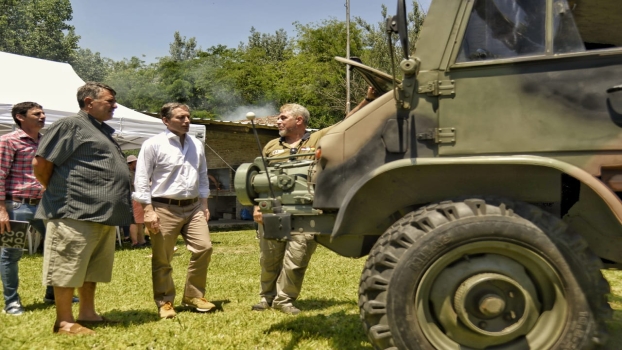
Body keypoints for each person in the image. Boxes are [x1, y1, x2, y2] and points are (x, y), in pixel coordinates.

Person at [33, 82, 133, 335]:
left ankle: (87, 313)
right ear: (89, 102)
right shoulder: (70, 125)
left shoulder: (100, 130)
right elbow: (41, 164)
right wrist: (59, 192)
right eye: (109, 101)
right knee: (67, 266)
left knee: (91, 267)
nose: (115, 105)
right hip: (73, 211)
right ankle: (64, 321)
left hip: (102, 213)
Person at [133, 102, 214, 319]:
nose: (187, 121)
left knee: (204, 247)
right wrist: (148, 211)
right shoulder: (153, 144)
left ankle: (193, 296)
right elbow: (141, 178)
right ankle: (165, 301)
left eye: (188, 116)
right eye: (181, 117)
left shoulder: (196, 144)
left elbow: (203, 174)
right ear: (166, 120)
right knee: (163, 257)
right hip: (163, 207)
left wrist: (205, 204)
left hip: (194, 206)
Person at [0, 102, 48, 315]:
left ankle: (54, 293)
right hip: (16, 205)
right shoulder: (8, 141)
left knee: (57, 249)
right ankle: (12, 302)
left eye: (43, 113)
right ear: (20, 117)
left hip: (45, 205)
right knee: (11, 254)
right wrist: (1, 210)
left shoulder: (46, 141)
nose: (42, 116)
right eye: (36, 114)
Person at [127, 155, 147, 249]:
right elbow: (133, 184)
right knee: (135, 221)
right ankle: (135, 242)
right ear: (131, 163)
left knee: (139, 221)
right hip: (133, 198)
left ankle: (141, 241)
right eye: (135, 162)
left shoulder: (132, 173)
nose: (137, 164)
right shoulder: (129, 174)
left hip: (136, 198)